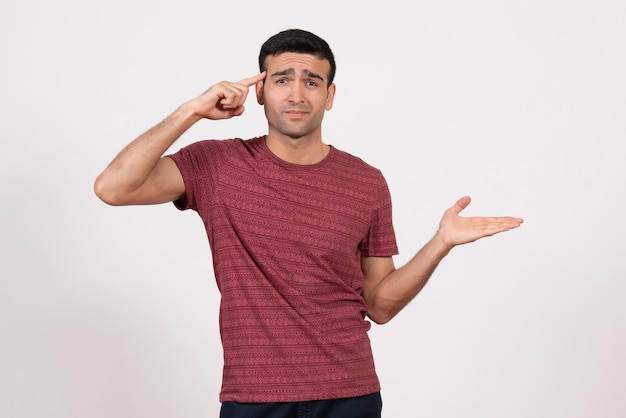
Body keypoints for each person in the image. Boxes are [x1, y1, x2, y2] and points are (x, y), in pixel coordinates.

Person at [94, 28, 523, 418]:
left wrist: (440, 243)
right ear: (260, 91)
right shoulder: (216, 165)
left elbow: (380, 305)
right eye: (282, 79)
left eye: (311, 82)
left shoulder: (366, 182)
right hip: (254, 395)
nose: (296, 94)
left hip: (349, 394)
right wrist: (191, 111)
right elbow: (113, 188)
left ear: (329, 95)